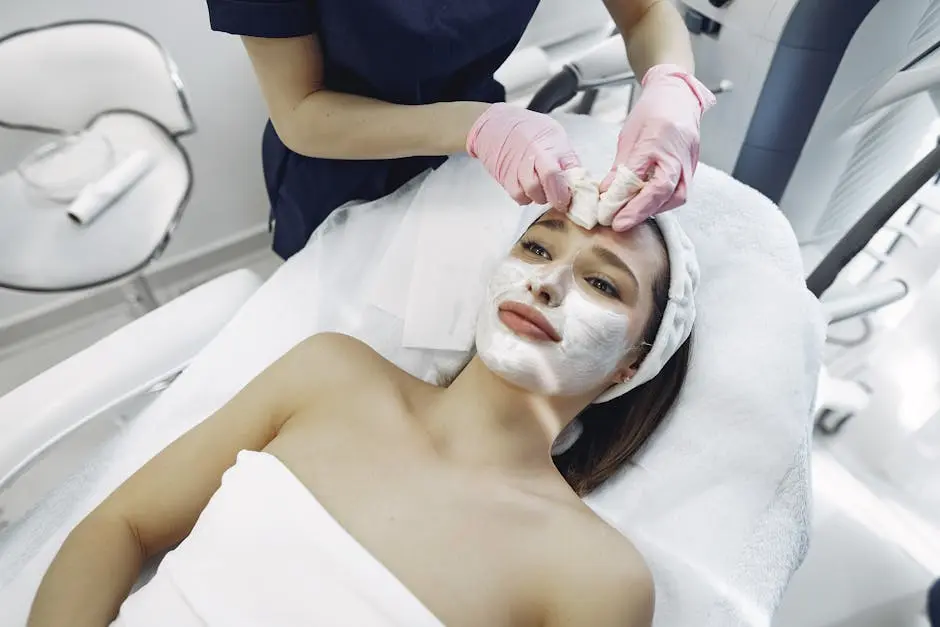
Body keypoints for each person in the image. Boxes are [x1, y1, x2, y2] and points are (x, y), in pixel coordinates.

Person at [28, 210, 696, 627]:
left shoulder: (596, 576)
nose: (546, 283)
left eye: (603, 283)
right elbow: (121, 526)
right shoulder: (331, 375)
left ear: (629, 367)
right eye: (538, 248)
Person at [205, 0, 716, 259]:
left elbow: (646, 12)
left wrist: (672, 83)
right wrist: (476, 126)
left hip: (475, 166)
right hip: (340, 161)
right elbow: (300, 111)